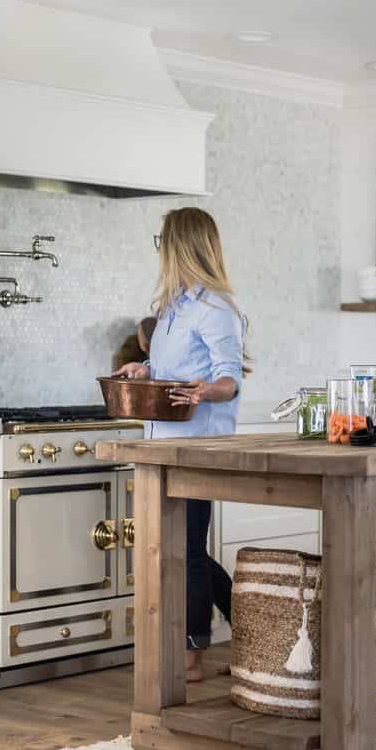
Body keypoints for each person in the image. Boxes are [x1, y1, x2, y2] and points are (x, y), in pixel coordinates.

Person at [114, 207, 247, 682]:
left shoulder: (217, 308)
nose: (159, 249)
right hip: (166, 444)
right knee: (183, 548)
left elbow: (229, 379)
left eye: (161, 241)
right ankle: (253, 635)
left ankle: (192, 653)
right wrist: (144, 372)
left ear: (179, 245)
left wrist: (204, 390)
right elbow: (176, 367)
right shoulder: (175, 307)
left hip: (198, 446)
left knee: (187, 549)